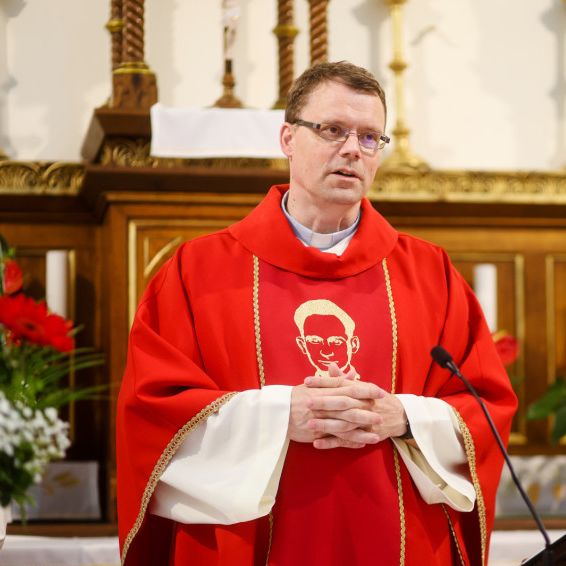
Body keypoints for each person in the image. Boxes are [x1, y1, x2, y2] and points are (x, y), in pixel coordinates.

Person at [117, 60, 518, 566]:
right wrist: (278, 416)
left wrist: (405, 418)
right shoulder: (196, 272)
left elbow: (486, 407)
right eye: (332, 130)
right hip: (246, 546)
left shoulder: (431, 274)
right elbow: (151, 411)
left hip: (399, 543)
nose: (353, 149)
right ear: (288, 138)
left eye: (370, 137)